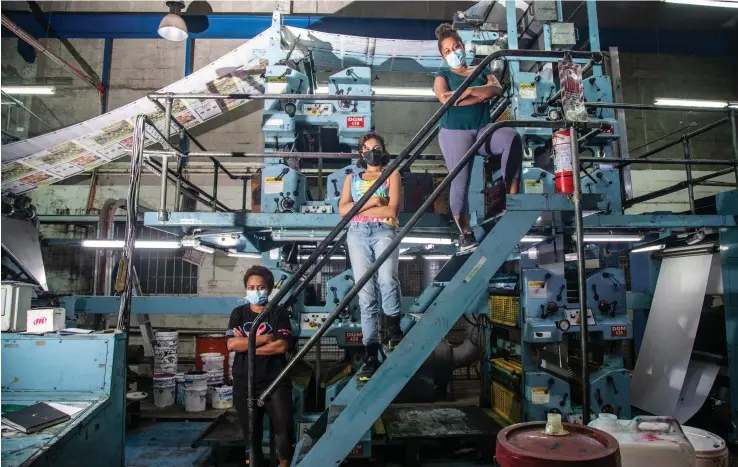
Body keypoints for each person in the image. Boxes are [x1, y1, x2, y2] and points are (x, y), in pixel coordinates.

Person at [433, 23, 524, 252]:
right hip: (455, 132)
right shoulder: (442, 75)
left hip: (482, 129)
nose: (454, 52)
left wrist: (468, 92)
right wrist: (478, 93)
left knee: (510, 137)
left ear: (462, 46)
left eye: (456, 47)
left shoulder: (481, 68)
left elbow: (495, 90)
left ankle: (512, 201)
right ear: (443, 56)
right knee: (460, 181)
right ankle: (465, 234)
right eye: (448, 51)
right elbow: (446, 99)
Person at [338, 131, 404, 381]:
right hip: (357, 234)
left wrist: (359, 208)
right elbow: (343, 211)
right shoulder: (351, 179)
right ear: (361, 153)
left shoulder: (391, 174)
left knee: (387, 279)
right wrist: (373, 201)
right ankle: (371, 355)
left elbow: (393, 208)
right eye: (367, 148)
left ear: (383, 150)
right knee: (365, 294)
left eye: (376, 147)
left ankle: (394, 330)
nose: (371, 151)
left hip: (384, 229)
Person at [227, 265, 294, 466]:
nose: (255, 291)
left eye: (260, 287)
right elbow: (231, 344)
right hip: (244, 383)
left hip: (275, 382)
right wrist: (265, 338)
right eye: (251, 287)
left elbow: (281, 346)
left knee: (284, 431)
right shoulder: (238, 313)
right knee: (251, 437)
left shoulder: (279, 313)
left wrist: (246, 346)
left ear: (269, 288)